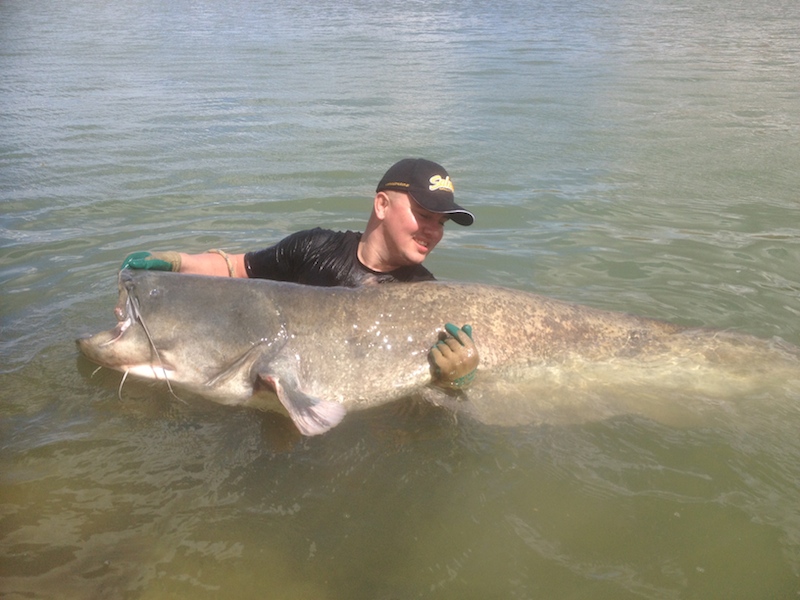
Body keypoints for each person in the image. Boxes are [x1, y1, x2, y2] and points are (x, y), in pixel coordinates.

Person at [121, 158, 479, 389]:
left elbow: (411, 396)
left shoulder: (425, 297)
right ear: (382, 205)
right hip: (268, 384)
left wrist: (457, 381)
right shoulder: (314, 247)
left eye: (441, 222)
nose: (433, 231)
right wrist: (176, 263)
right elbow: (239, 269)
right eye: (424, 215)